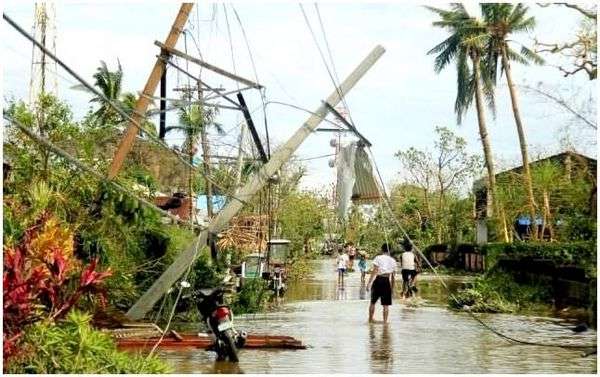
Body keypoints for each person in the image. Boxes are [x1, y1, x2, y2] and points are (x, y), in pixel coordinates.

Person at [367, 243, 397, 323]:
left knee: (373, 302)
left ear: (382, 249)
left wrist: (369, 283)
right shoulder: (393, 260)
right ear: (390, 250)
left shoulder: (378, 258)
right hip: (386, 281)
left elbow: (375, 270)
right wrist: (392, 288)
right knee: (386, 305)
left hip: (378, 280)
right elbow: (393, 276)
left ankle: (370, 319)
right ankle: (385, 322)